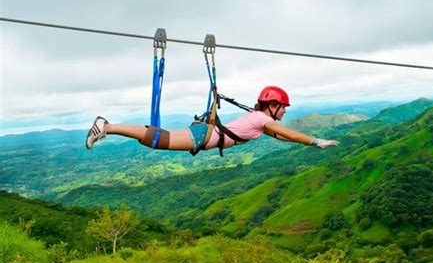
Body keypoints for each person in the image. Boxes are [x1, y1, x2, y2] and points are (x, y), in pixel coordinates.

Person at [85, 86, 340, 152]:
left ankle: (108, 127)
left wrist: (308, 143)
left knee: (155, 139)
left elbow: (285, 137)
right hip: (203, 136)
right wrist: (316, 141)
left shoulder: (260, 122)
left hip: (204, 136)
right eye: (282, 108)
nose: (284, 112)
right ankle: (106, 126)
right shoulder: (262, 119)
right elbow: (291, 134)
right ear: (272, 106)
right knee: (156, 139)